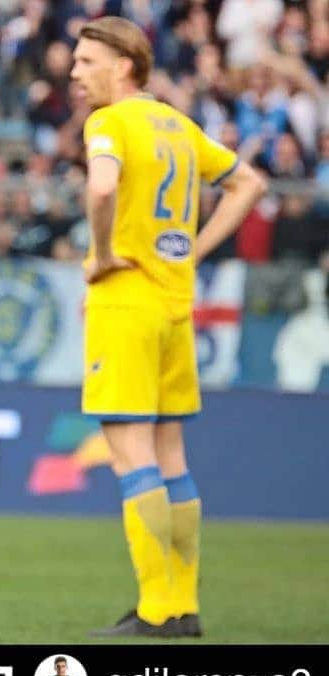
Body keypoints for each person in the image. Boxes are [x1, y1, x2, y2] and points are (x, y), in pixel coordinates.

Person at [71, 17, 266, 638]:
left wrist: (101, 255)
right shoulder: (179, 127)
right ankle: (183, 605)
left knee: (131, 454)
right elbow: (248, 183)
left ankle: (156, 608)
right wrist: (195, 253)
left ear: (123, 65)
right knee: (171, 456)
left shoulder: (108, 122)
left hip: (125, 301)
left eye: (85, 61)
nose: (75, 74)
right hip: (176, 304)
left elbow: (102, 188)